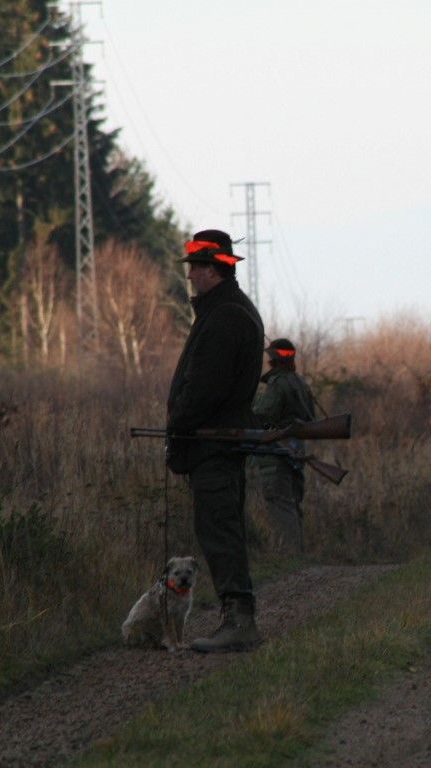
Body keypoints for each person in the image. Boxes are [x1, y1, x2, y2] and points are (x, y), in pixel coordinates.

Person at [166, 229, 264, 653]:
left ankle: (239, 623)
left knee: (220, 533)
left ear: (212, 269)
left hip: (215, 446)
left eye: (195, 268)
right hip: (216, 444)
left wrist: (177, 425)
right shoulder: (227, 311)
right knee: (221, 530)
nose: (190, 276)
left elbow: (204, 390)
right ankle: (237, 620)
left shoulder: (225, 317)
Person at [251, 338, 316, 554]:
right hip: (296, 451)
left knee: (280, 503)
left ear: (273, 358)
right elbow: (310, 417)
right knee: (293, 503)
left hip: (277, 452)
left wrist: (250, 406)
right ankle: (298, 554)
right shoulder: (300, 383)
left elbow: (263, 414)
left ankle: (291, 555)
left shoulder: (278, 384)